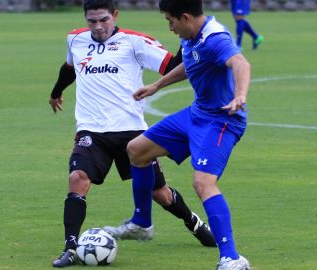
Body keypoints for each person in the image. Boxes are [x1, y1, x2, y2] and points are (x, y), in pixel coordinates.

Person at [49, 0, 216, 267]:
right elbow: (69, 68)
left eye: (104, 20)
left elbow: (171, 64)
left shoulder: (136, 42)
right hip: (91, 130)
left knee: (159, 193)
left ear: (115, 15)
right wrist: (57, 91)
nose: (98, 26)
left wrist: (194, 39)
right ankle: (70, 247)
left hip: (132, 133)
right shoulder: (75, 39)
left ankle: (193, 221)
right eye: (92, 21)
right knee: (77, 178)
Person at [103, 0, 251, 269]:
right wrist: (157, 85)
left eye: (171, 21)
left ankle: (231, 258)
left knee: (203, 183)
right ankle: (141, 223)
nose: (170, 28)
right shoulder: (191, 37)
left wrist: (240, 95)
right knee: (137, 150)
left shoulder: (214, 38)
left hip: (222, 121)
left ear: (185, 17)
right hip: (196, 115)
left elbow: (240, 62)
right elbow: (190, 64)